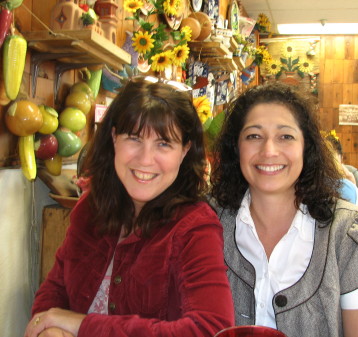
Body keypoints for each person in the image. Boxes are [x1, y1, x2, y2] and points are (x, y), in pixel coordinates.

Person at [25, 78, 234, 337]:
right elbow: (54, 291)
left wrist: (80, 324)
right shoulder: (91, 208)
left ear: (184, 150)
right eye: (134, 138)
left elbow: (210, 329)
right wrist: (50, 330)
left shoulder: (195, 228)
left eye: (164, 143)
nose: (145, 159)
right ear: (114, 138)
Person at [210, 82, 358, 337]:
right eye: (254, 136)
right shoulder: (207, 223)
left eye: (286, 136)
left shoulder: (350, 234)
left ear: (306, 148)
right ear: (236, 147)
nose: (269, 151)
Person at [326, 131, 358, 211]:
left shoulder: (350, 172)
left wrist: (353, 187)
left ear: (341, 157)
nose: (329, 163)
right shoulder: (315, 175)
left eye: (332, 157)